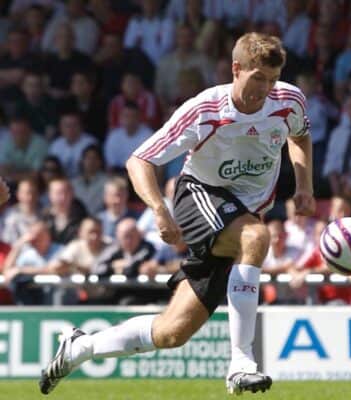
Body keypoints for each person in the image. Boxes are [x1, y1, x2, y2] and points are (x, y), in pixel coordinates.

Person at [40, 32, 314, 396]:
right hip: (199, 194)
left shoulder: (289, 100)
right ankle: (241, 362)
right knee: (256, 237)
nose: (264, 89)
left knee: (172, 332)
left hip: (241, 213)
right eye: (257, 78)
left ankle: (81, 347)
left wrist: (305, 185)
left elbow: (300, 136)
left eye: (271, 80)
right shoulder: (205, 109)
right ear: (236, 69)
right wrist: (158, 209)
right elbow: (139, 160)